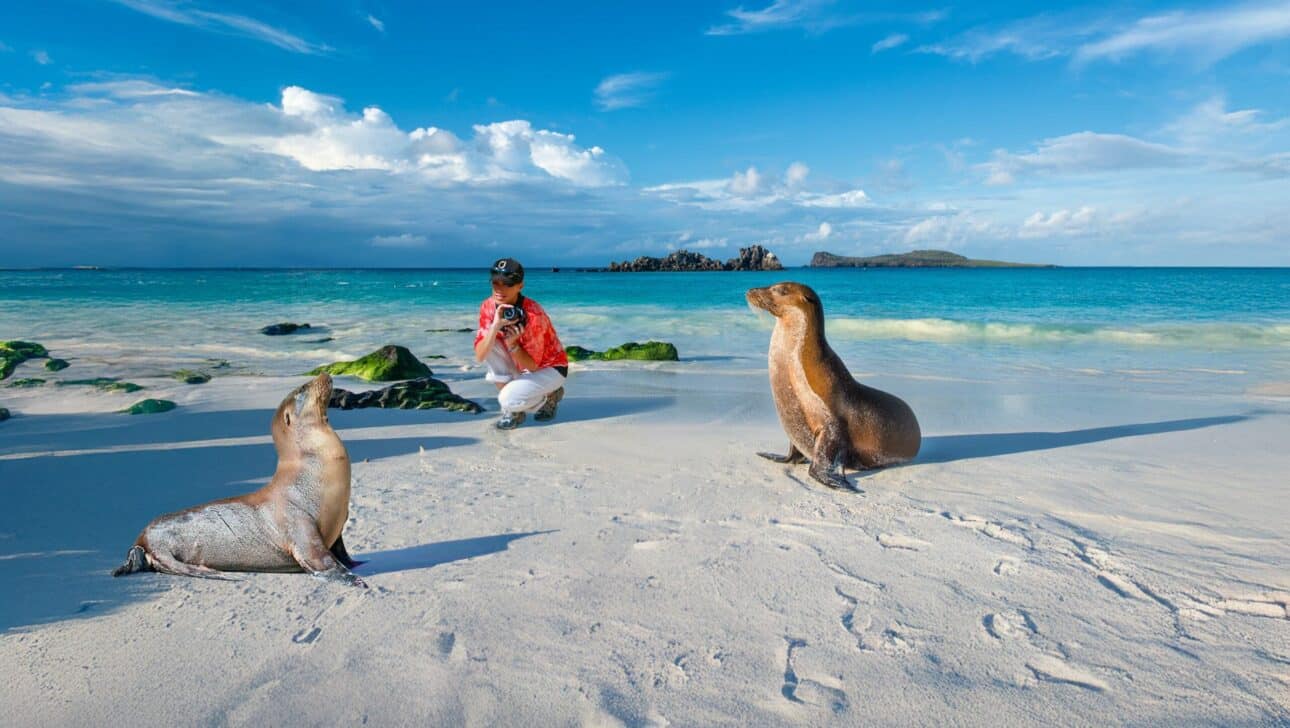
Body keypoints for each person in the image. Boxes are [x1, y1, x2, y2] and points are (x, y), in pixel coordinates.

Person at [473, 257, 568, 430]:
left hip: (550, 368)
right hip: (519, 362)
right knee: (490, 343)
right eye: (496, 282)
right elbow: (480, 356)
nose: (499, 289)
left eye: (507, 284)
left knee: (507, 400)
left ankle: (549, 395)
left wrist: (513, 344)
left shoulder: (533, 314)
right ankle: (523, 407)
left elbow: (532, 366)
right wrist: (495, 326)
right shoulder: (488, 306)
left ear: (520, 286)